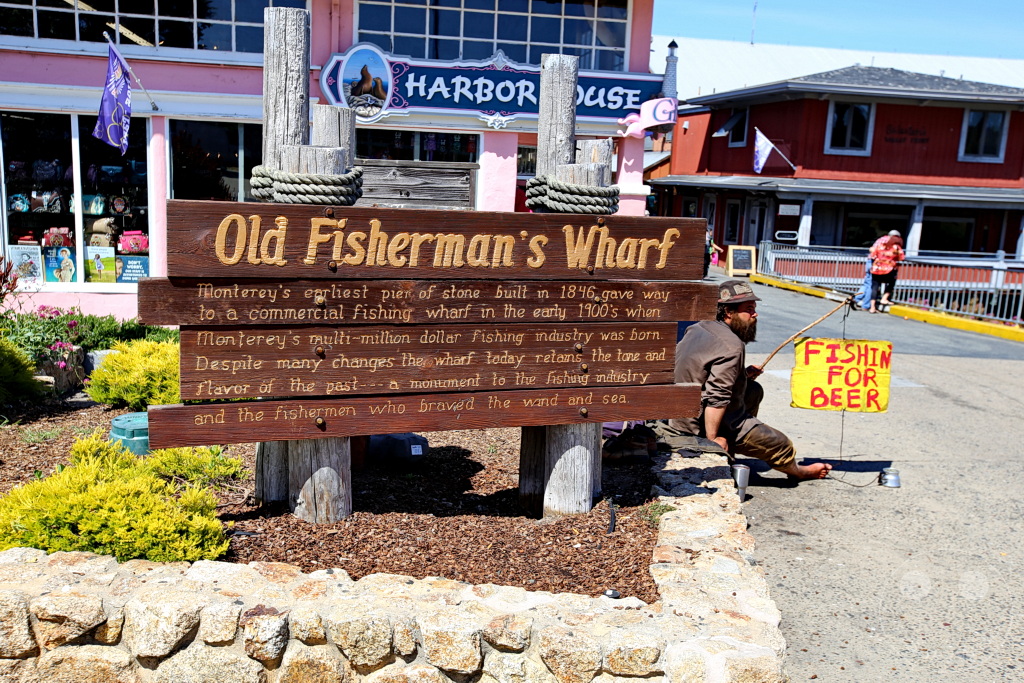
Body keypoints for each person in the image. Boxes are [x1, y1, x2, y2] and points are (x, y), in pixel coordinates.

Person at [670, 280, 832, 479]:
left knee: (753, 389)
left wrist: (742, 376)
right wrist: (711, 443)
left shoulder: (699, 327)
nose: (755, 314)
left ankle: (730, 452)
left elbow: (703, 372)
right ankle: (798, 472)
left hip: (681, 411)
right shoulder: (732, 345)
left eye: (754, 308)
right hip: (695, 422)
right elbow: (717, 398)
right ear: (728, 312)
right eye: (748, 309)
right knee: (781, 444)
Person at [868, 230, 905, 313]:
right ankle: (884, 298)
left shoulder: (881, 245)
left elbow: (873, 254)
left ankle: (872, 308)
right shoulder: (896, 247)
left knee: (874, 287)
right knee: (892, 282)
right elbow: (901, 257)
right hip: (888, 270)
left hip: (876, 268)